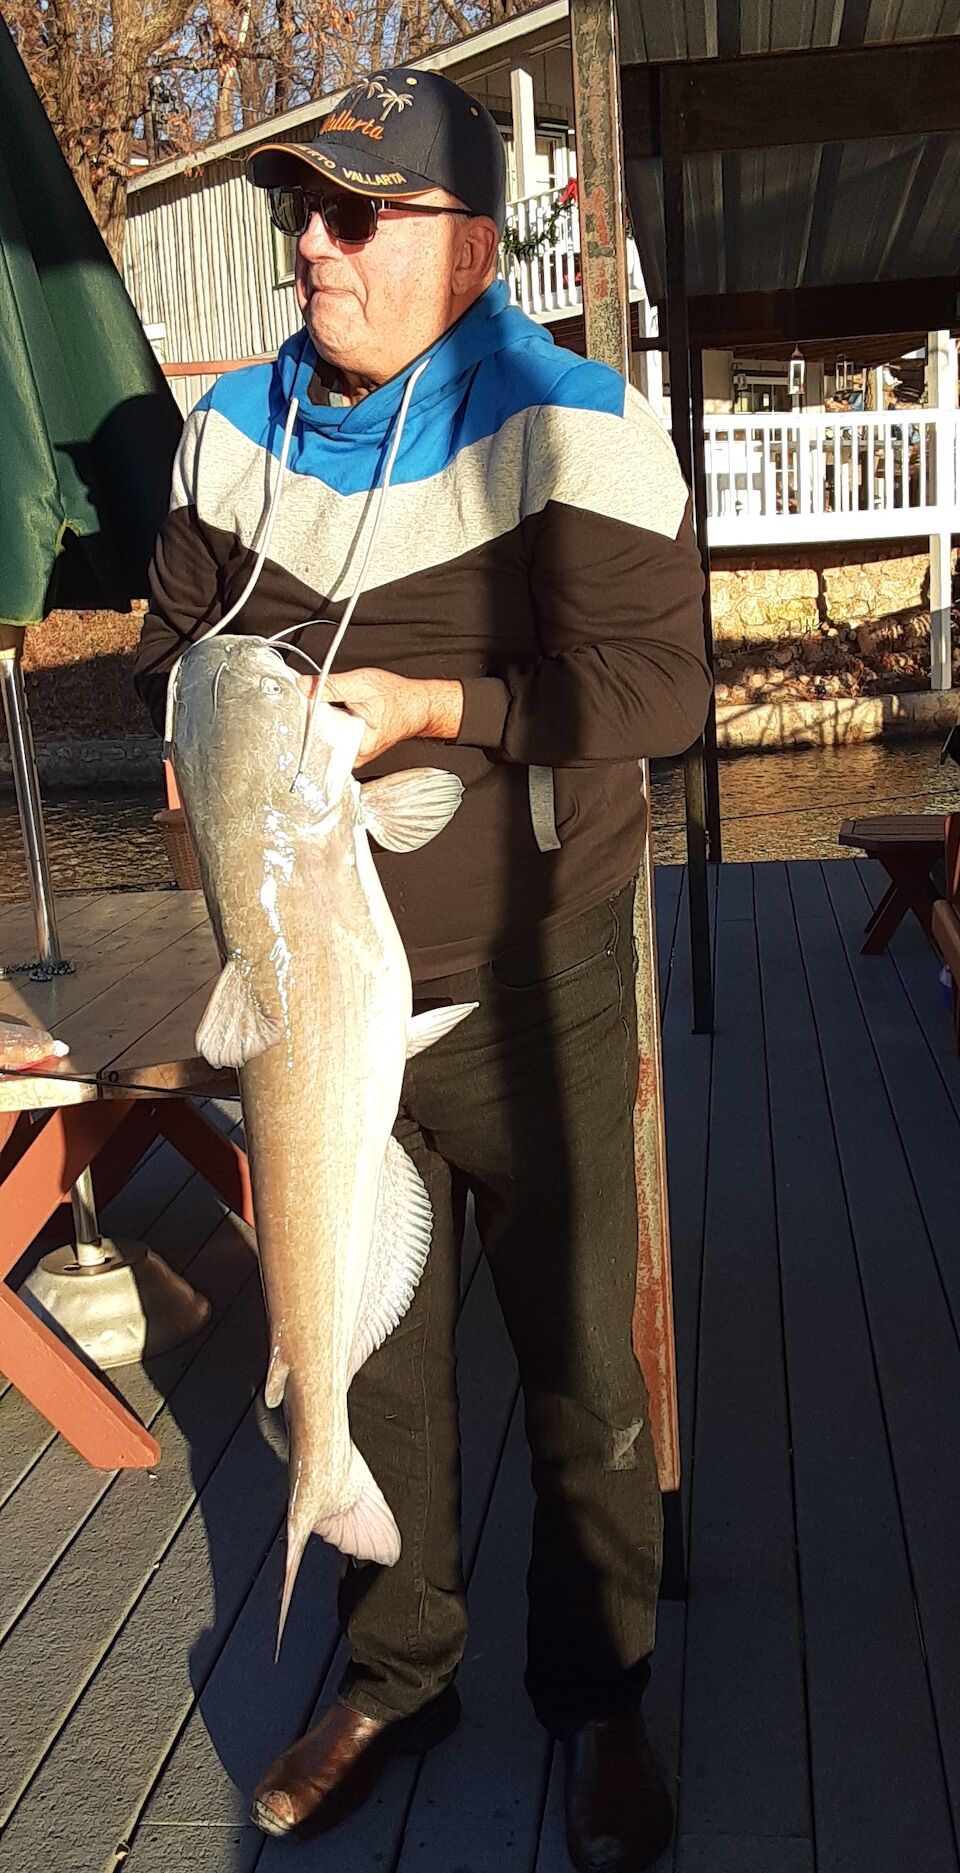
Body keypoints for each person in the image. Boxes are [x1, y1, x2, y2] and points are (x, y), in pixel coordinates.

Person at [134, 66, 711, 1873]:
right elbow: (167, 639)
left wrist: (445, 708)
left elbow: (660, 695)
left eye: (351, 214)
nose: (308, 243)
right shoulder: (230, 426)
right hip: (304, 1005)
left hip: (534, 984)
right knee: (365, 1364)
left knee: (581, 1380)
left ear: (465, 247)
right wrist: (200, 770)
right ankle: (401, 1670)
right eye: (298, 209)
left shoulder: (577, 427)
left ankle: (600, 1698)